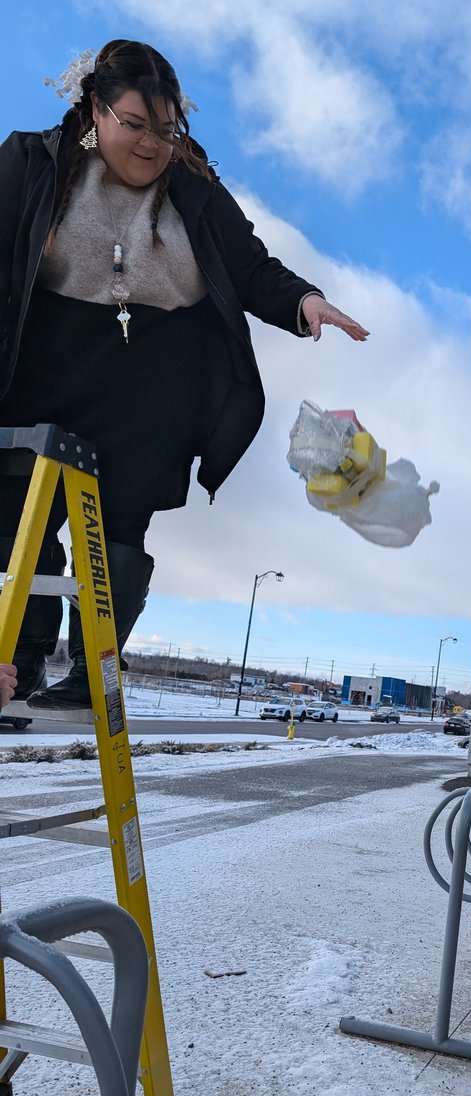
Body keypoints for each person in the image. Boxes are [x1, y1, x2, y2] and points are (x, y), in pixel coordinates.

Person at [0, 40, 369, 710]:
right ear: (95, 107)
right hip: (47, 366)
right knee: (18, 513)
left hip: (153, 379)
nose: (151, 145)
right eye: (135, 125)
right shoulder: (32, 162)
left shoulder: (193, 183)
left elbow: (250, 264)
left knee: (117, 529)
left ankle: (95, 674)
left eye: (166, 130)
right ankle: (21, 661)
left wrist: (302, 302)